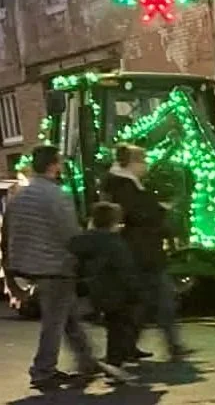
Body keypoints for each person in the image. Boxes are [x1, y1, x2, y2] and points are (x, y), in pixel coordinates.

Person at [10, 145, 116, 390]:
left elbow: (13, 232)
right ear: (54, 165)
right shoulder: (57, 195)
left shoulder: (21, 196)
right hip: (56, 265)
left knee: (67, 317)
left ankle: (87, 360)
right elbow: (71, 235)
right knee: (55, 322)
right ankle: (43, 370)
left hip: (31, 265)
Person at [101, 143, 186, 362]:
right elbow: (140, 216)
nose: (146, 166)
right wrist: (161, 211)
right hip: (141, 253)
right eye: (143, 161)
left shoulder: (124, 185)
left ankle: (132, 346)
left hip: (142, 252)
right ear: (133, 163)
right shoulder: (125, 187)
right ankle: (171, 344)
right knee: (156, 300)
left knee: (145, 302)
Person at [69, 203, 139, 376]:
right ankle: (114, 362)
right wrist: (135, 291)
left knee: (77, 324)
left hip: (87, 290)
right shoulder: (116, 243)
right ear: (114, 221)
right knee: (118, 325)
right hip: (113, 291)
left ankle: (90, 360)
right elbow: (126, 271)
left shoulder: (81, 240)